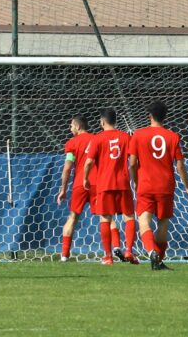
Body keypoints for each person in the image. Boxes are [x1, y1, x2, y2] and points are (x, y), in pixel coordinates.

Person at [129, 101, 188, 270]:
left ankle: (151, 252)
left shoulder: (138, 134)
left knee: (144, 221)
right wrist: (187, 187)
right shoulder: (173, 136)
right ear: (165, 117)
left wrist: (136, 181)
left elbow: (132, 163)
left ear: (149, 116)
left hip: (146, 185)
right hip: (166, 185)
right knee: (163, 223)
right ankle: (159, 260)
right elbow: (180, 165)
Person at [56, 115, 124, 262]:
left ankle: (64, 256)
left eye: (71, 126)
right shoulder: (98, 139)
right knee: (106, 217)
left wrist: (63, 189)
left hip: (80, 184)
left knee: (72, 218)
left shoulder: (72, 143)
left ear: (78, 127)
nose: (70, 129)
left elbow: (67, 168)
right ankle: (117, 247)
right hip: (98, 184)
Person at [83, 108, 137, 265]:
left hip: (104, 184)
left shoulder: (97, 139)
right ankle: (128, 251)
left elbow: (88, 162)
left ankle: (108, 256)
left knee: (105, 219)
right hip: (123, 183)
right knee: (129, 217)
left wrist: (85, 178)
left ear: (102, 122)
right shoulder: (126, 137)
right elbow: (133, 160)